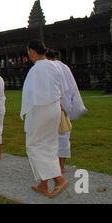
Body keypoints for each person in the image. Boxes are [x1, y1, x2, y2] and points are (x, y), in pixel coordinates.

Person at [20, 40, 69, 198]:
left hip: (40, 109)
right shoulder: (55, 66)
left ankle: (58, 179)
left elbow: (29, 94)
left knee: (34, 146)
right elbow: (64, 88)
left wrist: (26, 112)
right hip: (54, 108)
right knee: (48, 145)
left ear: (33, 52)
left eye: (29, 53)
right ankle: (43, 184)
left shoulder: (36, 70)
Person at [46, 49, 87, 173]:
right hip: (65, 104)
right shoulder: (65, 67)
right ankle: (61, 166)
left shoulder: (50, 68)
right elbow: (72, 86)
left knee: (52, 137)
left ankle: (54, 166)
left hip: (55, 105)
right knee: (63, 136)